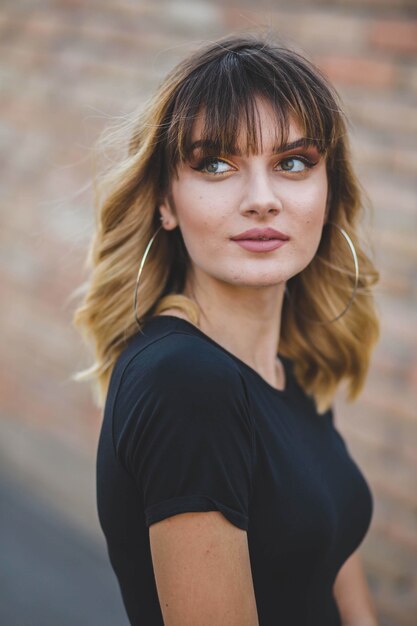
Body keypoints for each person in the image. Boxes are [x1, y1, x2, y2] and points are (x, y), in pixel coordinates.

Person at [72, 33, 381, 626]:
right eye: (216, 164)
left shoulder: (285, 366)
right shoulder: (187, 385)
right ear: (166, 200)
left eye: (293, 163)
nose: (262, 200)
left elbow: (334, 569)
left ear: (328, 188)